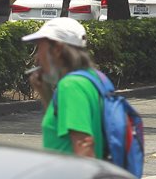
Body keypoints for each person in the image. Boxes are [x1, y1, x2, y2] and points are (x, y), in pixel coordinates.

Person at [21, 17, 103, 159]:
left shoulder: (71, 86)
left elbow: (84, 146)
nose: (37, 58)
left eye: (40, 48)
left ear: (57, 49)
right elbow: (61, 127)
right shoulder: (93, 78)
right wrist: (45, 93)